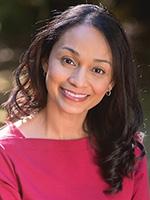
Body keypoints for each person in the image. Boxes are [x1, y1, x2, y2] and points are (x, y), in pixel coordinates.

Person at [0, 3, 149, 200]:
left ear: (111, 83)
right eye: (68, 60)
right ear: (46, 60)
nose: (78, 81)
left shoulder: (126, 151)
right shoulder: (6, 154)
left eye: (98, 70)